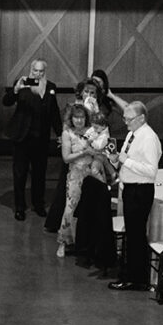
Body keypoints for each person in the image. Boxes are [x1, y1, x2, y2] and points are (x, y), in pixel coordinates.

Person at [108, 101, 162, 293]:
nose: (125, 122)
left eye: (128, 119)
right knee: (131, 234)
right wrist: (116, 161)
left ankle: (136, 279)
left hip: (141, 191)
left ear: (141, 118)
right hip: (130, 189)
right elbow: (125, 158)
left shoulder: (148, 138)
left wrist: (126, 161)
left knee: (136, 236)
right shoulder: (133, 134)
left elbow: (151, 171)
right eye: (124, 118)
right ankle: (130, 274)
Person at [2, 58, 62, 220]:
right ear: (31, 70)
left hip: (41, 138)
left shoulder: (50, 88)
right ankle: (19, 207)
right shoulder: (22, 84)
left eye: (41, 71)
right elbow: (6, 102)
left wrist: (60, 134)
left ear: (45, 72)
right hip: (23, 137)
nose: (37, 74)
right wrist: (15, 90)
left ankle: (39, 204)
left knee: (39, 173)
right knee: (20, 173)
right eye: (35, 70)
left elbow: (54, 113)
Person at [56, 104, 111, 258]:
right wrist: (83, 152)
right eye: (76, 117)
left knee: (96, 207)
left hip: (93, 170)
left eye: (81, 117)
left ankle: (94, 242)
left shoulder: (92, 130)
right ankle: (64, 241)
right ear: (71, 118)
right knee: (70, 207)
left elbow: (102, 145)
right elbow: (66, 158)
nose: (79, 121)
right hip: (77, 172)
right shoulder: (68, 133)